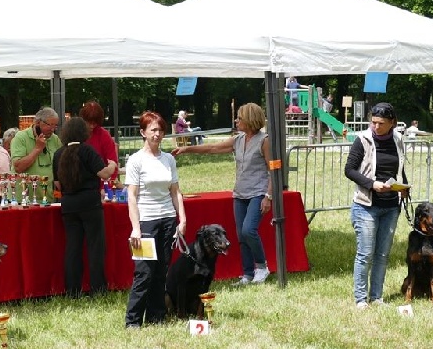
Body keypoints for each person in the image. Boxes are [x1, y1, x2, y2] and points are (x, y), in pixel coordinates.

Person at [172, 102, 272, 285]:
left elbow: (274, 169)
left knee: (249, 230)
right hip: (240, 194)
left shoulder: (265, 141)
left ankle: (262, 267)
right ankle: (248, 274)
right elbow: (212, 148)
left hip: (258, 193)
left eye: (239, 118)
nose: (236, 120)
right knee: (241, 235)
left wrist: (269, 196)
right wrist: (187, 149)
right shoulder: (238, 140)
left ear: (249, 120)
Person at [124, 111, 186, 328]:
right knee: (144, 273)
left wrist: (182, 219)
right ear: (143, 133)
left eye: (160, 130)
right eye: (153, 130)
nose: (158, 134)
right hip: (146, 222)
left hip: (167, 219)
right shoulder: (135, 160)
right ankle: (133, 321)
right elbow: (131, 196)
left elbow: (175, 192)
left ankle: (156, 317)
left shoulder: (168, 159)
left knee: (161, 272)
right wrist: (136, 229)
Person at [343, 102, 408, 309]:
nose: (376, 127)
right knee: (365, 254)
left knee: (382, 254)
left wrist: (404, 187)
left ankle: (377, 297)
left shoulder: (398, 139)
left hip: (391, 206)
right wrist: (372, 184)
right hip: (366, 205)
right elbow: (349, 170)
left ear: (392, 123)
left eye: (381, 123)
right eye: (373, 122)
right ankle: (361, 299)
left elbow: (400, 168)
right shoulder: (362, 140)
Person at [53, 117, 117, 297]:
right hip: (89, 202)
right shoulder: (88, 151)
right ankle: (98, 289)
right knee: (95, 247)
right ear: (83, 133)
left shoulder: (58, 154)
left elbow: (57, 184)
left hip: (68, 205)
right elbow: (104, 174)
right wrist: (111, 165)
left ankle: (72, 290)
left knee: (73, 248)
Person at [10, 107, 62, 202]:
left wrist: (58, 196)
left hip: (48, 199)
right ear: (37, 122)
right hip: (24, 200)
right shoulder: (20, 138)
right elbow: (18, 167)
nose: (53, 129)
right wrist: (37, 149)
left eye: (55, 126)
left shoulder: (55, 140)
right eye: (50, 125)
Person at [80, 101, 119, 182]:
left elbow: (113, 162)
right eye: (89, 123)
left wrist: (109, 185)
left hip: (101, 182)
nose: (92, 126)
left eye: (95, 123)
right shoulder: (77, 135)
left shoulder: (104, 135)